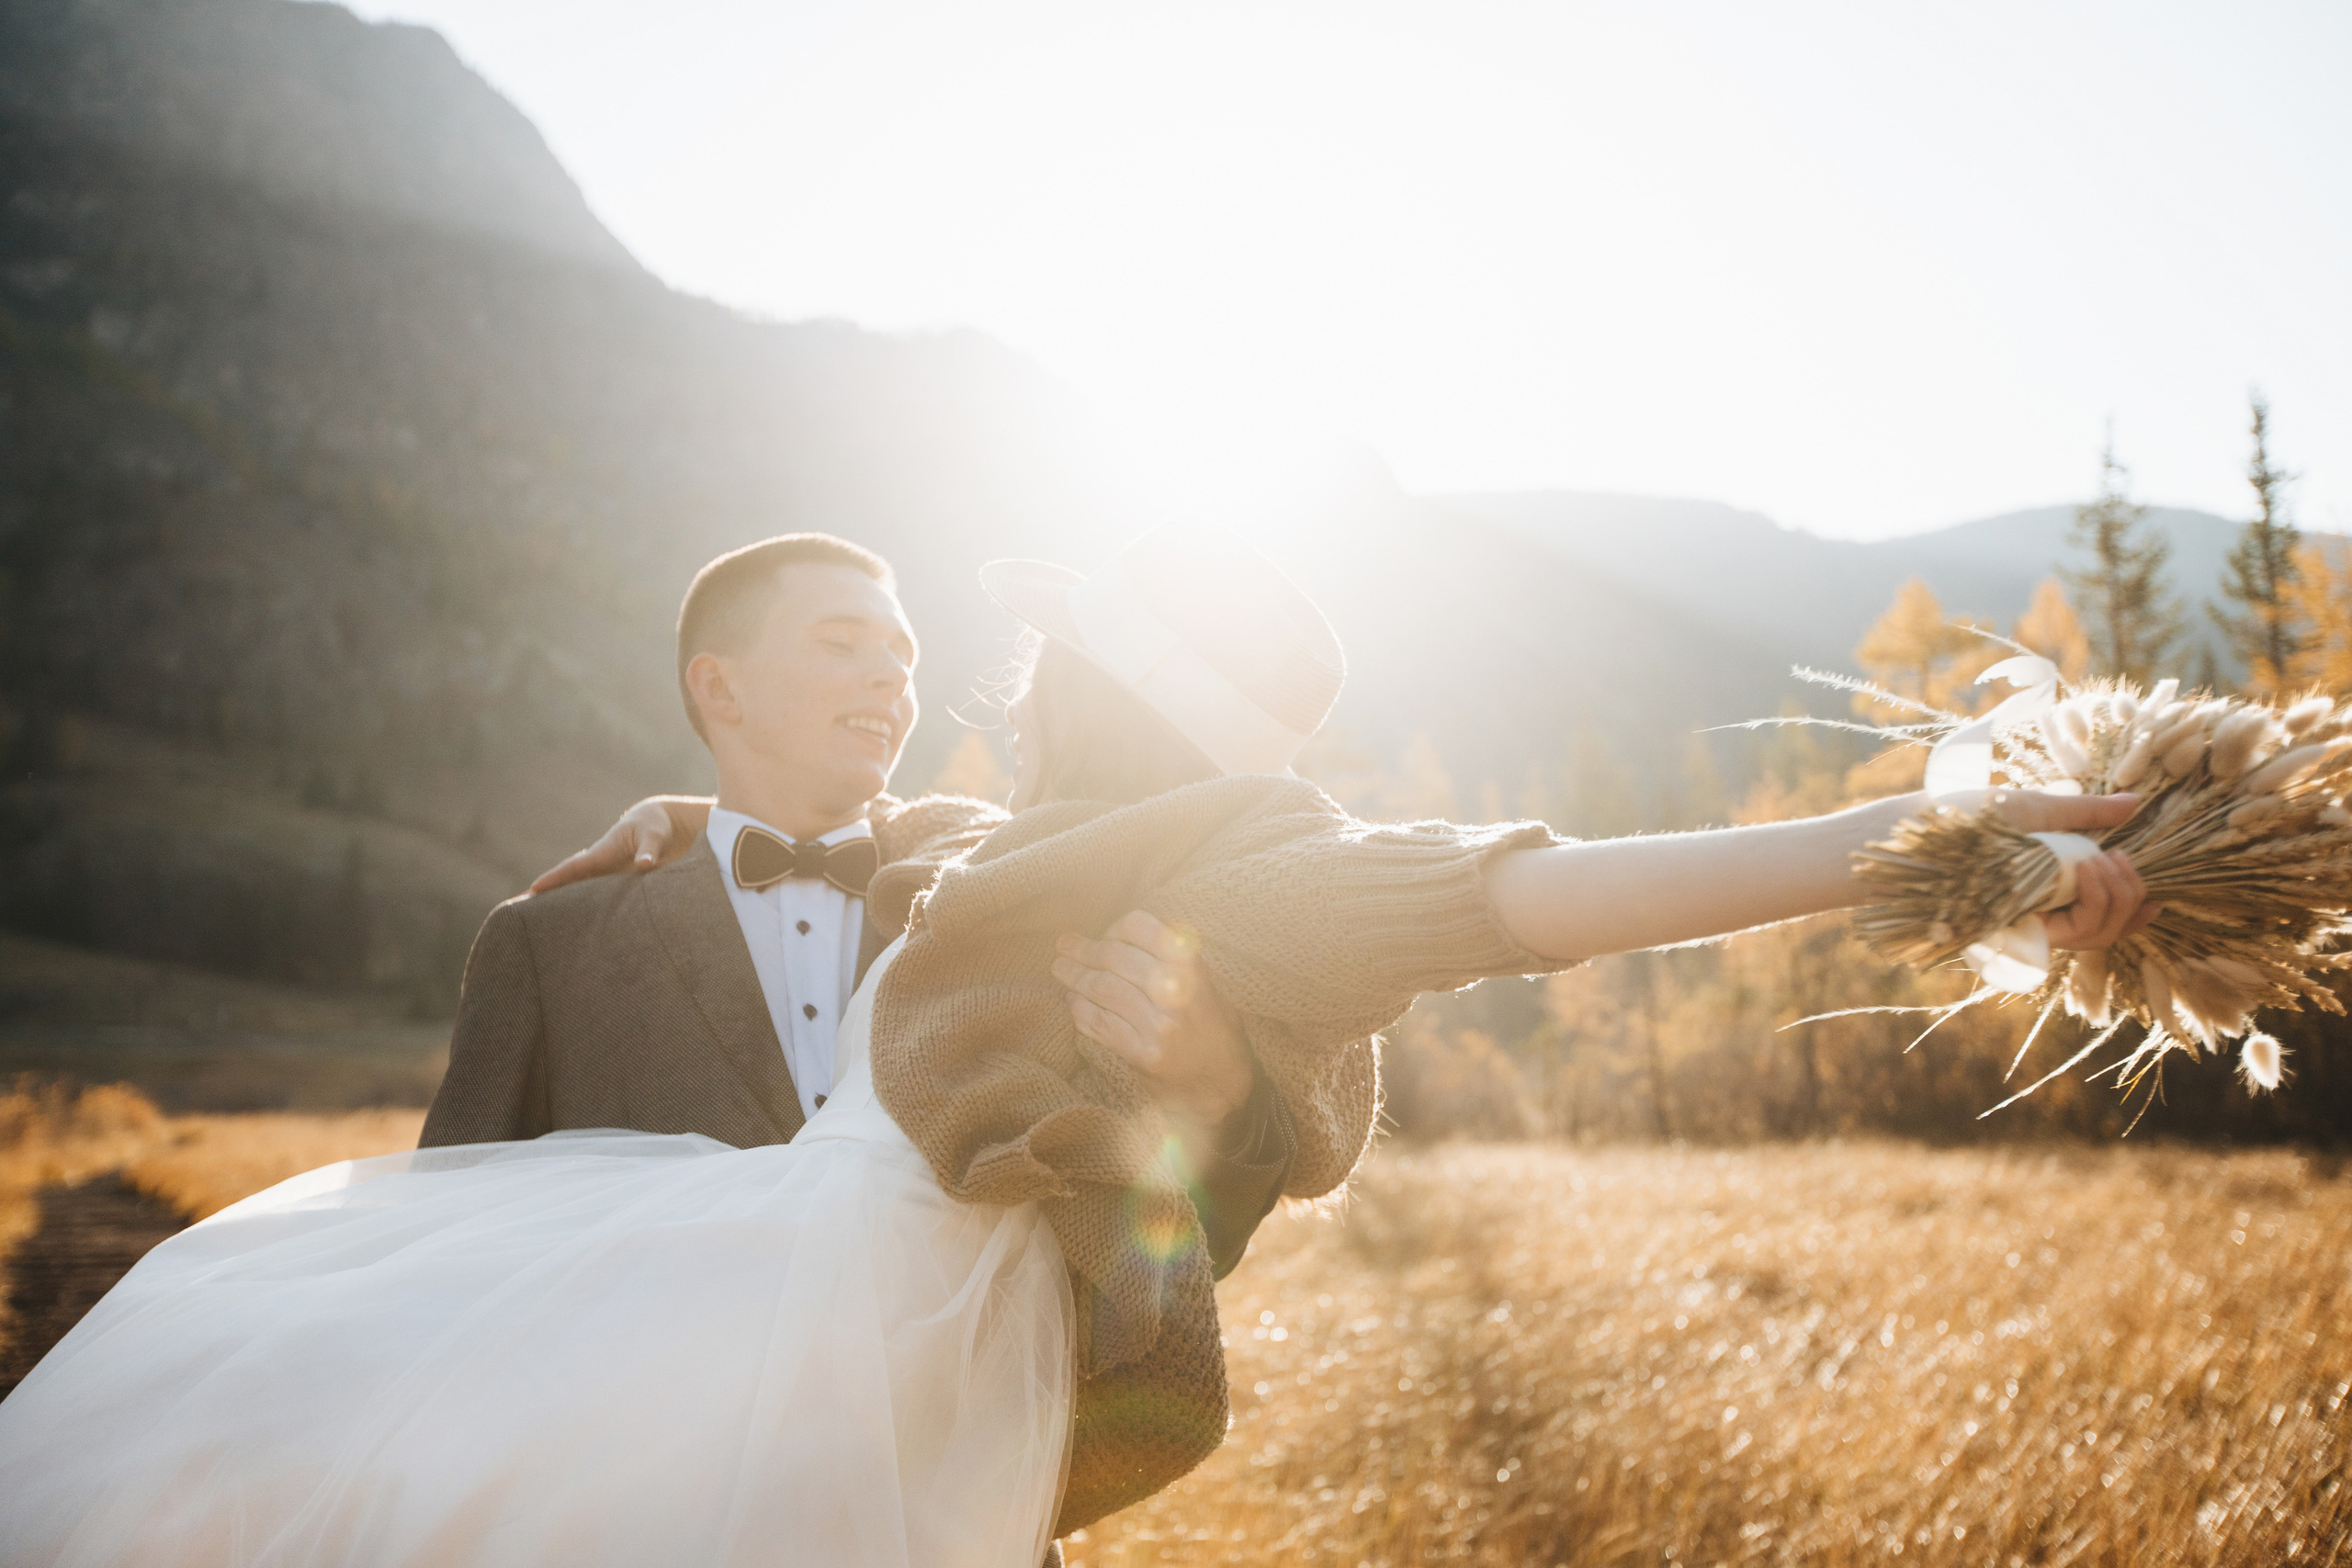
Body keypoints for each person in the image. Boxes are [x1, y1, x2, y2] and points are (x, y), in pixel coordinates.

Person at [0, 527, 2153, 1568]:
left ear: (1102, 705)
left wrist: (1927, 842)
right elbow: (903, 851)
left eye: (1001, 667)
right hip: (714, 1318)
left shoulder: (1231, 871)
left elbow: (1523, 886)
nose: (962, 694)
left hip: (829, 1388)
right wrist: (678, 816)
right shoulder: (1006, 848)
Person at [418, 533, 1292, 1285]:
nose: (890, 676)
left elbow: (1162, 1254)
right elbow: (438, 1251)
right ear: (720, 690)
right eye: (842, 643)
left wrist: (1221, 1098)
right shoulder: (547, 947)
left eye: (904, 659)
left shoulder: (1013, 905)